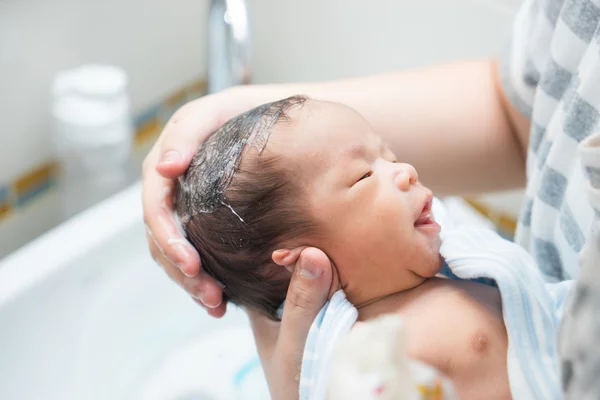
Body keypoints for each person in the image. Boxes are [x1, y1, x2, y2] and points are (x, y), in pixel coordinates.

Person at [142, 0, 600, 397]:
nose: (405, 170)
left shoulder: (441, 269)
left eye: (389, 156)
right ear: (302, 262)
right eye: (365, 175)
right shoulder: (365, 363)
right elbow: (515, 109)